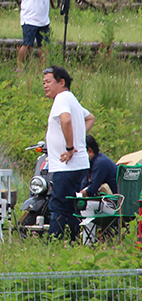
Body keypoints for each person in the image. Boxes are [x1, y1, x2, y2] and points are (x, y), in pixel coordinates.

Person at [41, 66, 95, 240]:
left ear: (61, 82)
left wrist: (70, 148)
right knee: (71, 205)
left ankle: (54, 241)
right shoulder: (72, 99)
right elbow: (90, 117)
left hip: (67, 165)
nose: (45, 85)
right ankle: (72, 240)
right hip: (78, 164)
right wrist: (78, 138)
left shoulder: (62, 98)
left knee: (57, 204)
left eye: (48, 81)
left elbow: (65, 120)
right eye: (43, 82)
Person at [19, 0, 62, 70]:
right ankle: (20, 67)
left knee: (44, 47)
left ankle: (44, 69)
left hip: (43, 20)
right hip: (30, 19)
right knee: (27, 45)